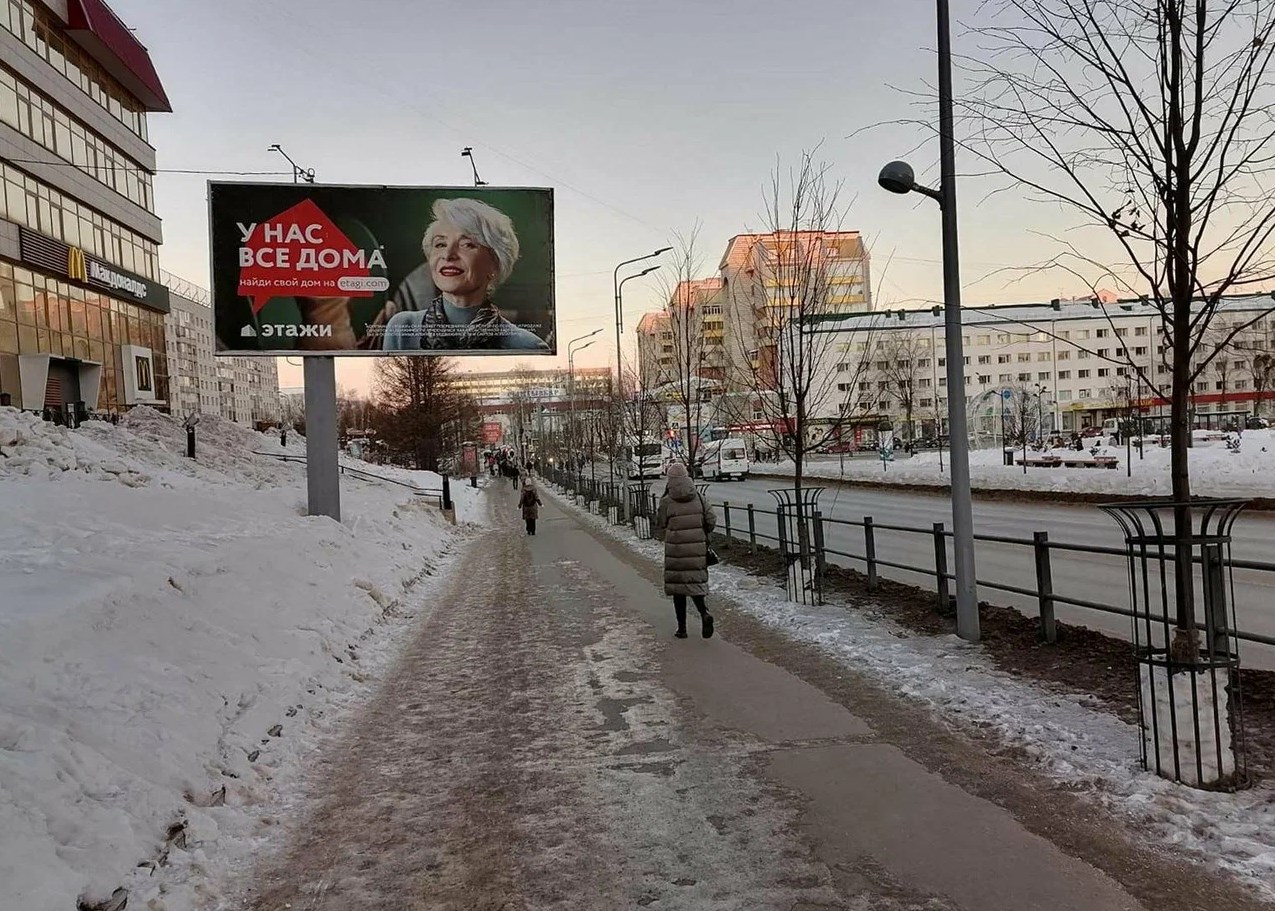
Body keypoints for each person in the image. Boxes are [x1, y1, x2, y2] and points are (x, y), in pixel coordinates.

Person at [379, 198, 549, 351]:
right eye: (440, 244)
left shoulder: (527, 345)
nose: (448, 255)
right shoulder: (403, 328)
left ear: (495, 264)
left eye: (467, 244)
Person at [653, 462, 716, 639]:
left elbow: (661, 522)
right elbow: (711, 520)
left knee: (678, 590)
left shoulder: (667, 501)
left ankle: (682, 629)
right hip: (697, 550)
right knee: (695, 585)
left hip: (676, 552)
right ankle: (704, 613)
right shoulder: (699, 497)